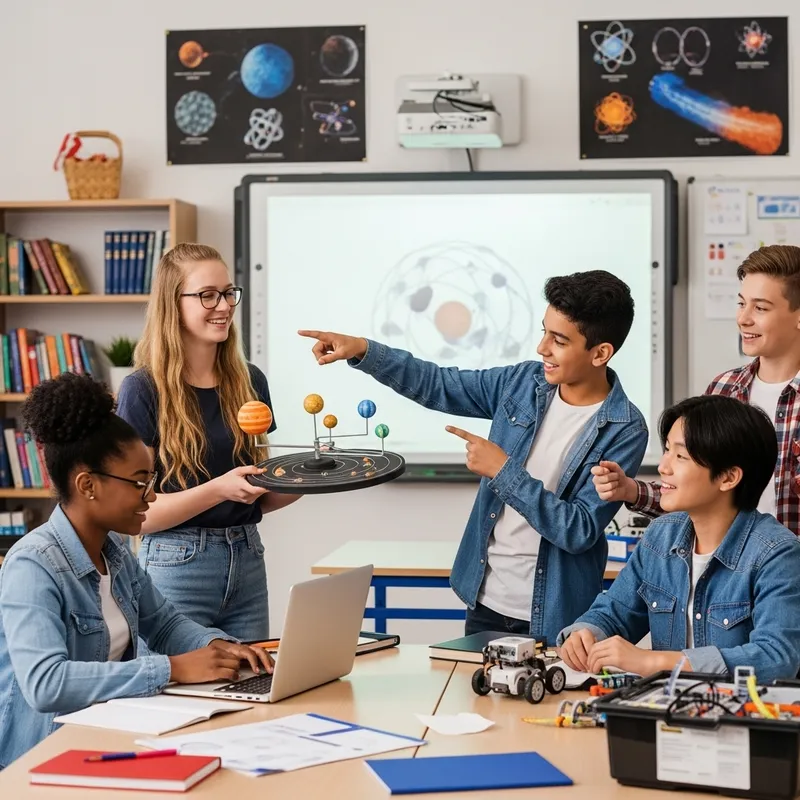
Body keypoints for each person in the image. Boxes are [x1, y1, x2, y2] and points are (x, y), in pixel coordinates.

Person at [298, 270, 649, 644]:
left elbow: (577, 530)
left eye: (559, 340)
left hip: (558, 617)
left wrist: (502, 470)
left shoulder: (625, 429)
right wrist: (365, 351)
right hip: (485, 603)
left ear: (600, 353)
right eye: (544, 331)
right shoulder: (521, 382)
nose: (541, 348)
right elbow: (440, 384)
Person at [0, 373, 273, 770]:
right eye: (140, 483)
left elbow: (164, 624)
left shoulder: (115, 554)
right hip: (42, 759)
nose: (151, 496)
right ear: (88, 484)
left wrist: (223, 647)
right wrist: (172, 669)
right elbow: (46, 684)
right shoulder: (34, 564)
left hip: (104, 742)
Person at [116, 243, 300, 641]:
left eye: (228, 293)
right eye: (207, 295)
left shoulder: (250, 381)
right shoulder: (142, 390)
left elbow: (261, 496)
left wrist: (311, 477)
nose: (224, 306)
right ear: (172, 304)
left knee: (252, 692)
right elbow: (136, 515)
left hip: (247, 558)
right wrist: (218, 489)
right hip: (174, 567)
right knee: (175, 699)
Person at [558, 395, 800, 684]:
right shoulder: (661, 535)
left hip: (743, 721)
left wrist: (655, 661)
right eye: (667, 450)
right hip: (666, 716)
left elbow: (776, 658)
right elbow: (614, 613)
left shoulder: (777, 554)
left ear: (728, 477)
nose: (663, 467)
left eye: (680, 456)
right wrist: (585, 633)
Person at [594, 244, 800, 536]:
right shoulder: (724, 389)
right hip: (727, 573)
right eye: (741, 304)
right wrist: (630, 489)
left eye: (761, 308)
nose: (744, 318)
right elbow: (699, 493)